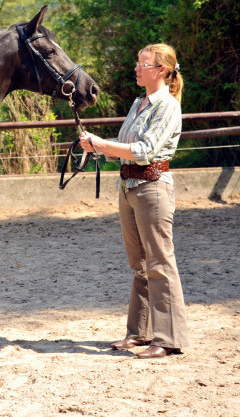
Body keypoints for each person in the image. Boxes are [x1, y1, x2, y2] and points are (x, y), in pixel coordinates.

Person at [78, 43, 189, 359]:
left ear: (162, 71)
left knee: (160, 263)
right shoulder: (139, 102)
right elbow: (126, 144)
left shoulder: (166, 106)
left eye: (144, 64)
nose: (137, 68)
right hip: (129, 187)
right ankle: (139, 333)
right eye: (138, 63)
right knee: (139, 265)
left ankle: (167, 339)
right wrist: (97, 146)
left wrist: (102, 144)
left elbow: (144, 151)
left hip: (152, 188)